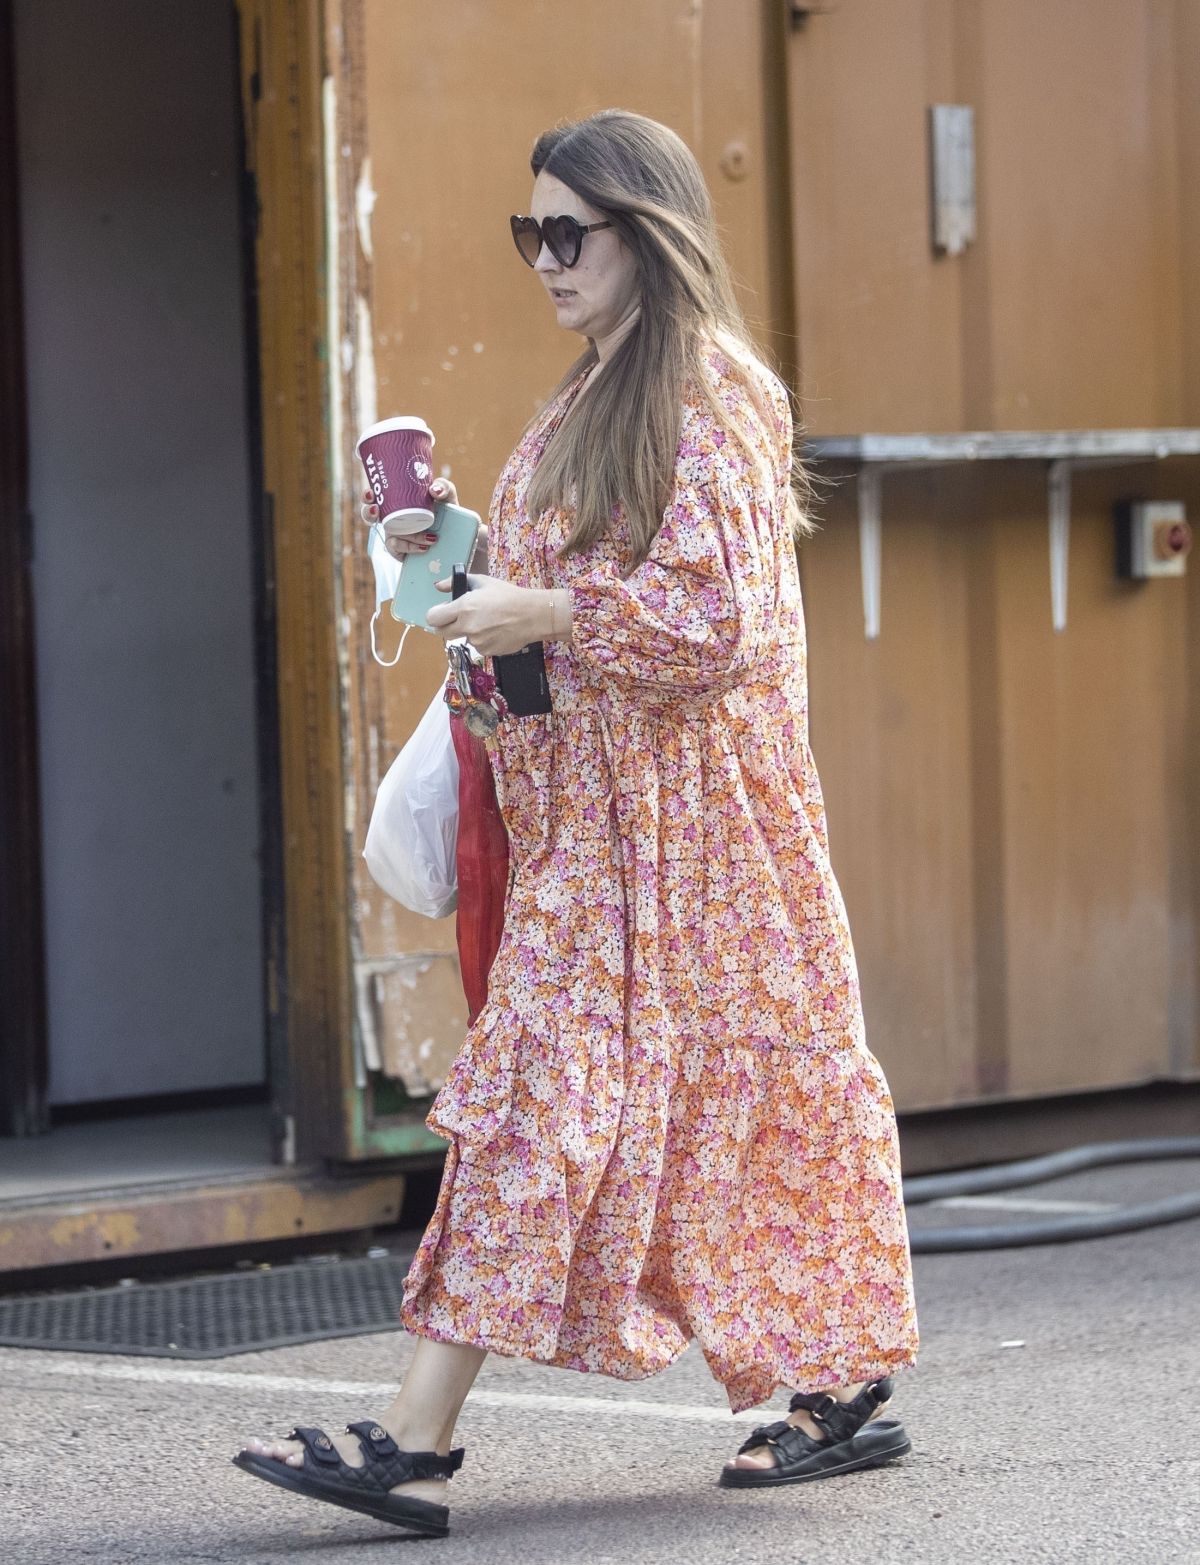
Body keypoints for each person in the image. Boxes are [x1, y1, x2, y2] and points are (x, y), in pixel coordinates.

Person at [233, 107, 918, 1540]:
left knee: (762, 1099)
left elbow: (716, 621)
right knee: (540, 1103)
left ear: (647, 237)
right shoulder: (590, 389)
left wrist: (544, 608)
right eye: (527, 230)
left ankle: (833, 1378)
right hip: (593, 842)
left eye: (569, 233)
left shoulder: (713, 388)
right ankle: (415, 1440)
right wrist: (458, 566)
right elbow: (576, 607)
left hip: (708, 846)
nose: (542, 259)